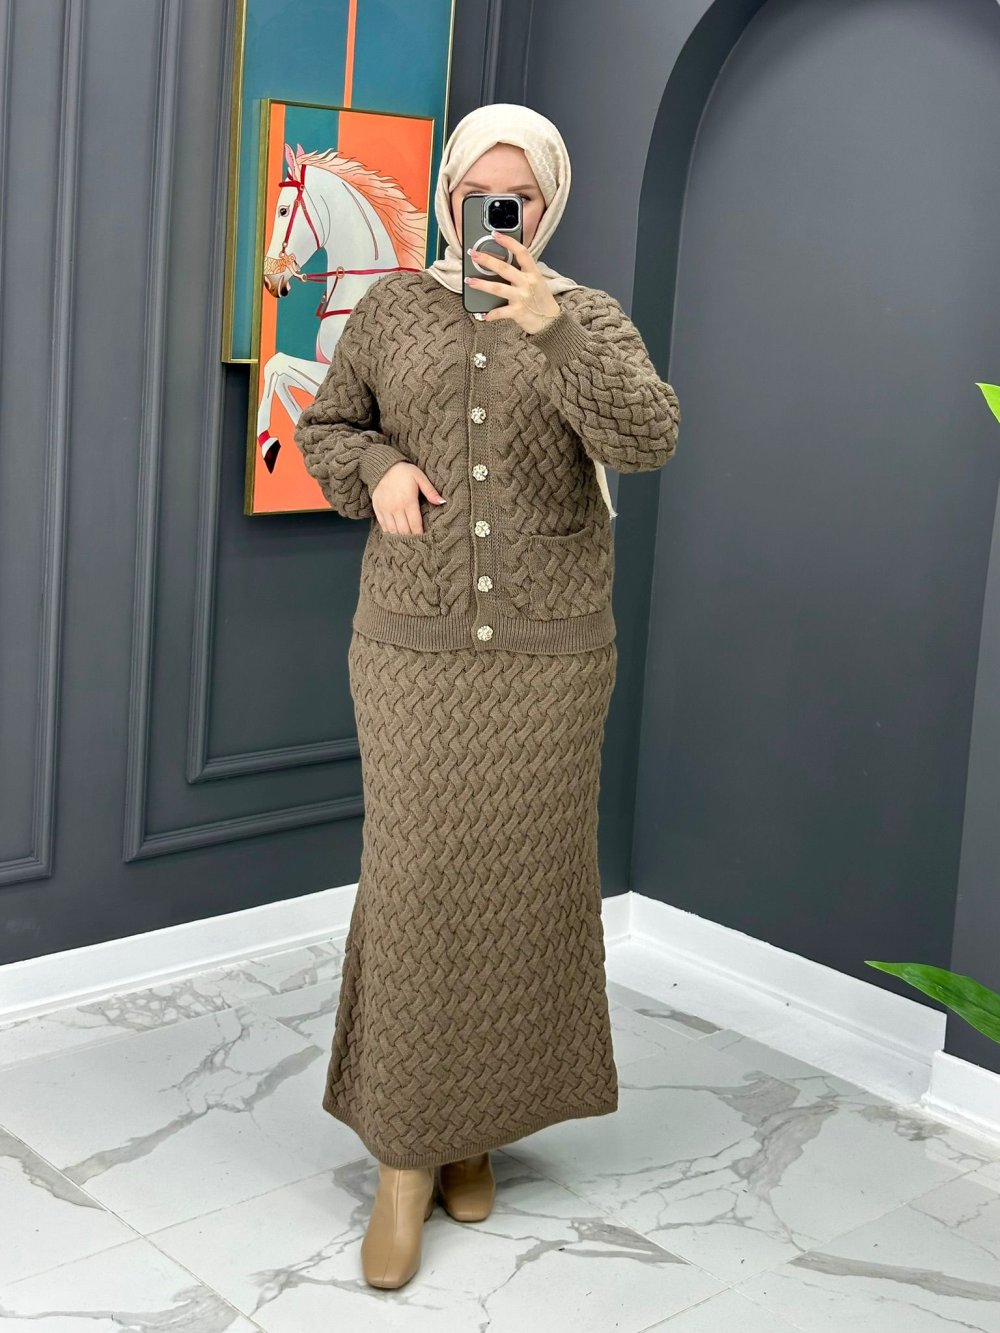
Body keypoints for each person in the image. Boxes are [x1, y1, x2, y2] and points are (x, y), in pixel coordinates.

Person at [294, 101, 680, 1291]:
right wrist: (378, 468)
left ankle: (476, 1135)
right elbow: (327, 427)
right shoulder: (392, 311)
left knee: (518, 896)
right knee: (418, 893)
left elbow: (649, 439)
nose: (494, 213)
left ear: (548, 205)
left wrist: (550, 328)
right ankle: (405, 1163)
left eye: (519, 196)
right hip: (411, 654)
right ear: (449, 192)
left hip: (549, 665)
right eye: (476, 193)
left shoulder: (586, 315)